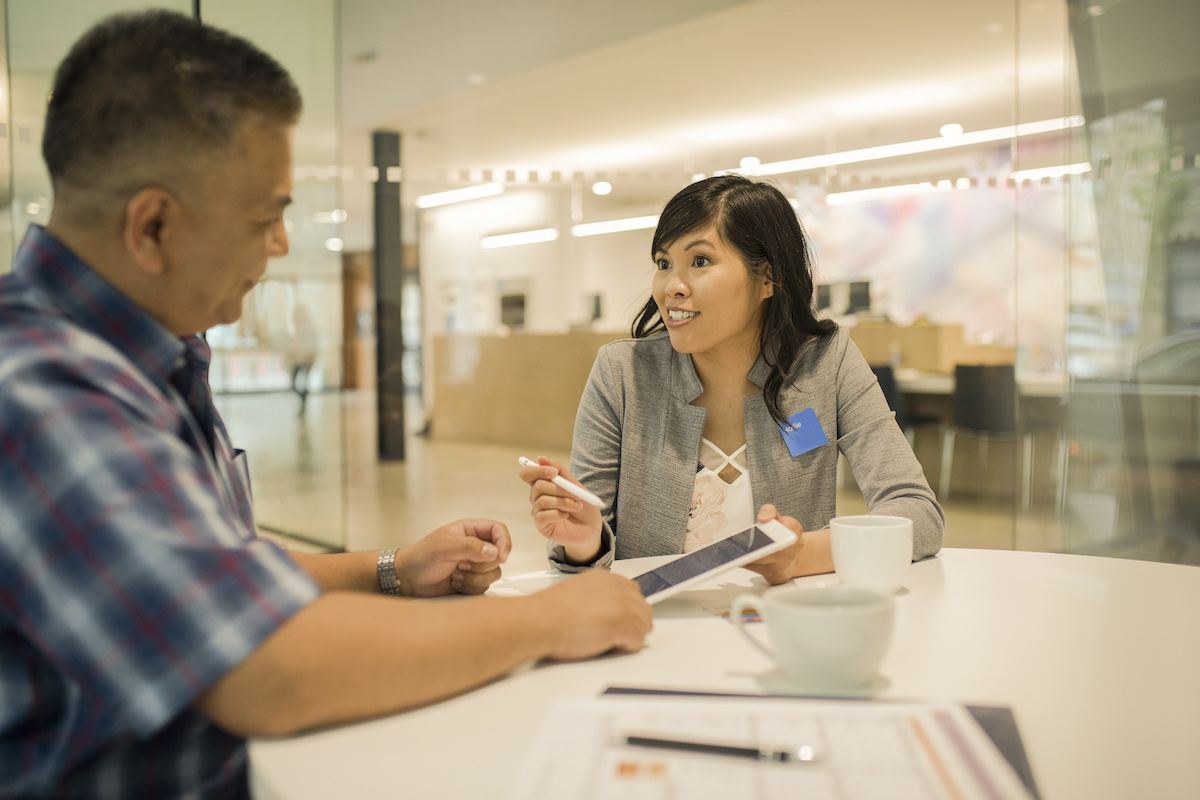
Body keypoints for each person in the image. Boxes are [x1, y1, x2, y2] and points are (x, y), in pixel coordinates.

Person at [0, 12, 651, 799]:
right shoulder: (37, 386)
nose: (279, 245)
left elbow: (211, 571)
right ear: (154, 225)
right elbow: (265, 665)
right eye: (264, 217)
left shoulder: (150, 354)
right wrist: (556, 619)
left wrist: (392, 571)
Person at [521, 175, 944, 583]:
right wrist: (585, 542)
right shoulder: (623, 373)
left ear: (768, 277)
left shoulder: (826, 364)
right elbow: (585, 560)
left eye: (699, 261)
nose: (672, 286)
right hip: (654, 634)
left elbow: (917, 513)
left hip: (782, 627)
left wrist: (801, 556)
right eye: (664, 263)